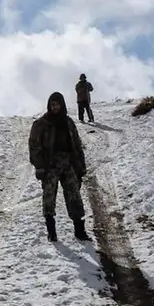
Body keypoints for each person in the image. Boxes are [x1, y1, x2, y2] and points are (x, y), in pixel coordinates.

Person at [28, 92, 90, 242]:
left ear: (62, 105)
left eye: (57, 104)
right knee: (49, 197)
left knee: (74, 195)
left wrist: (80, 166)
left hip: (68, 163)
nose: (55, 107)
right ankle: (51, 232)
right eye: (52, 104)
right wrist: (39, 166)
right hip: (50, 165)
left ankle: (79, 230)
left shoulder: (68, 122)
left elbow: (77, 144)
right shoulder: (41, 124)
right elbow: (34, 146)